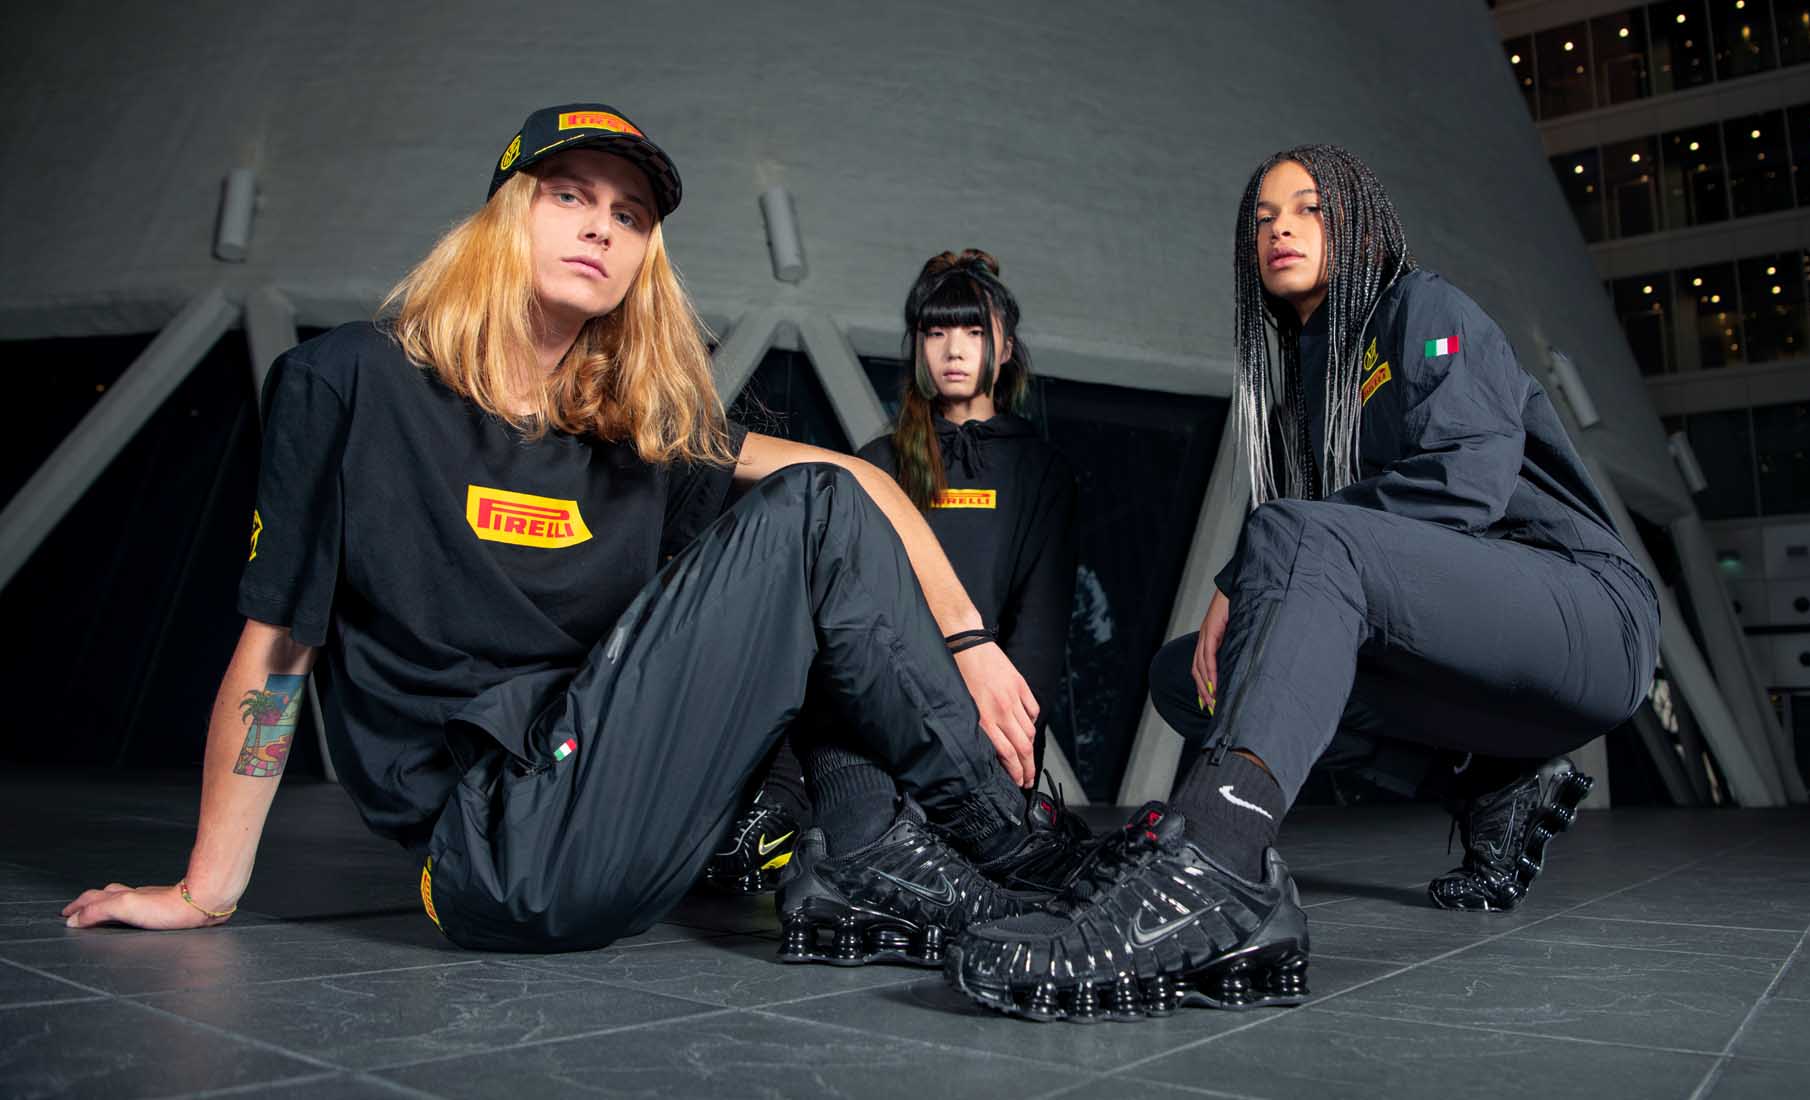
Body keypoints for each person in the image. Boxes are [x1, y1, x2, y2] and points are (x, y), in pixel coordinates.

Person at [59, 103, 1075, 956]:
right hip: (495, 848)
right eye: (569, 197)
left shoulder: (632, 427)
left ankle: (920, 848)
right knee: (810, 517)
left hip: (615, 808)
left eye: (629, 216)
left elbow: (860, 480)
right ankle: (1013, 847)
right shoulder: (351, 381)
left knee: (817, 528)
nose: (601, 230)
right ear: (505, 215)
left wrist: (968, 638)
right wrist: (206, 890)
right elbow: (279, 650)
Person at [948, 144, 1659, 1021]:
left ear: (1362, 224)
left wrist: (1266, 551)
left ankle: (1215, 862)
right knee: (1192, 677)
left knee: (1289, 538)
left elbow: (1466, 479)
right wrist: (1254, 571)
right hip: (1479, 657)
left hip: (1585, 611)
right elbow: (1331, 552)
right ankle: (1489, 781)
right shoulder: (1306, 376)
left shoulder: (1423, 307)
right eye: (1262, 219)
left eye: (1309, 208)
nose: (1280, 228)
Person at [748, 252, 1087, 965]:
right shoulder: (877, 461)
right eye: (936, 333)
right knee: (850, 752)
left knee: (954, 817)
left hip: (973, 719)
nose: (954, 349)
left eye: (973, 331)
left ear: (1006, 347)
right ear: (917, 347)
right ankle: (863, 842)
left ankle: (898, 844)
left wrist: (1009, 759)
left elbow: (1039, 630)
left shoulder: (1042, 469)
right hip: (868, 700)